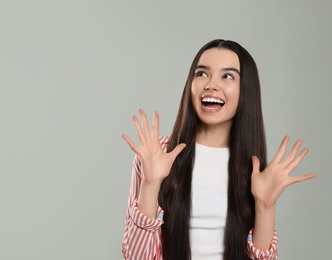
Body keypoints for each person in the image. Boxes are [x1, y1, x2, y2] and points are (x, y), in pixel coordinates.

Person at [121, 39, 316, 260]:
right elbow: (136, 257)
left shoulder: (255, 171)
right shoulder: (158, 155)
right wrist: (151, 184)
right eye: (202, 74)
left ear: (246, 91)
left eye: (228, 76)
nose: (211, 84)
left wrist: (265, 207)